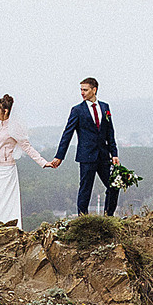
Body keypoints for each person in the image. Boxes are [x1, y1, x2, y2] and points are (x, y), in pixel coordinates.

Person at [0, 94, 55, 228]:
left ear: (5, 111)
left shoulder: (14, 128)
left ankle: (8, 229)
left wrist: (43, 162)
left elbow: (27, 147)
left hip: (7, 170)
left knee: (7, 203)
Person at [50, 77, 120, 216]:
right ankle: (83, 219)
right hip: (86, 156)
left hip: (103, 155)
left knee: (114, 185)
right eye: (81, 90)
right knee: (85, 190)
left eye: (85, 90)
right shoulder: (77, 110)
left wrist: (114, 153)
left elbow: (110, 132)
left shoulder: (105, 107)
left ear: (94, 90)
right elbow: (67, 134)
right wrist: (59, 156)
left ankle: (108, 216)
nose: (82, 93)